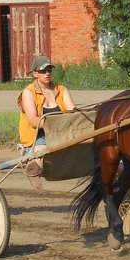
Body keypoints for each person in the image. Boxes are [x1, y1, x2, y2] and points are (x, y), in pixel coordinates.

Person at [18, 55, 76, 189]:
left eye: (49, 69)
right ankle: (34, 169)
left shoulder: (61, 89)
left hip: (60, 134)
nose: (47, 73)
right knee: (42, 152)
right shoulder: (28, 92)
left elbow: (73, 113)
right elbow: (34, 121)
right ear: (35, 73)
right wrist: (59, 123)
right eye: (43, 71)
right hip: (37, 136)